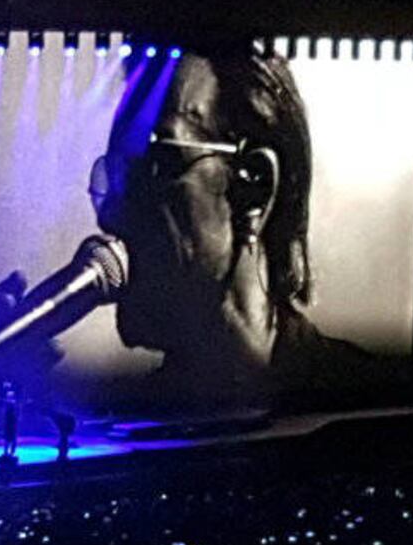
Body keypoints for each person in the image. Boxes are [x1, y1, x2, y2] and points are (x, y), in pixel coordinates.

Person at [87, 46, 384, 409]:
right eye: (115, 174)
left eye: (151, 169)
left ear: (253, 188)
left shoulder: (367, 405)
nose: (111, 216)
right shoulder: (116, 417)